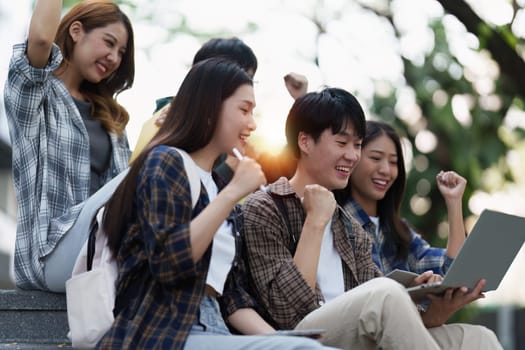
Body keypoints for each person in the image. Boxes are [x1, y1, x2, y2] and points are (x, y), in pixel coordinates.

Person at [97, 58, 336, 350]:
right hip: (163, 332)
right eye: (244, 110)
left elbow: (232, 297)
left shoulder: (219, 188)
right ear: (210, 108)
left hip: (216, 330)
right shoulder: (166, 161)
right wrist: (233, 193)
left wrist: (277, 338)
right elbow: (169, 262)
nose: (252, 123)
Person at [241, 88, 502, 349]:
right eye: (342, 143)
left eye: (357, 145)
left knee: (478, 338)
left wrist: (433, 307)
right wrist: (315, 221)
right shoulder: (265, 207)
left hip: (357, 335)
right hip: (305, 337)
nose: (353, 155)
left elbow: (383, 312)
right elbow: (286, 312)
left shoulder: (349, 226)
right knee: (385, 294)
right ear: (305, 142)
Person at [4, 0, 135, 291]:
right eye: (109, 43)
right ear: (76, 31)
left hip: (100, 253)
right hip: (48, 256)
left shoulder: (111, 118)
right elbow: (39, 39)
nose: (114, 57)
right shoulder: (36, 95)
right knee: (156, 166)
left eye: (121, 52)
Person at [335, 120, 467, 275]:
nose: (386, 170)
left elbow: (453, 271)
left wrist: (454, 201)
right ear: (353, 159)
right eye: (376, 158)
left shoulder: (399, 232)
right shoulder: (334, 224)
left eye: (393, 162)